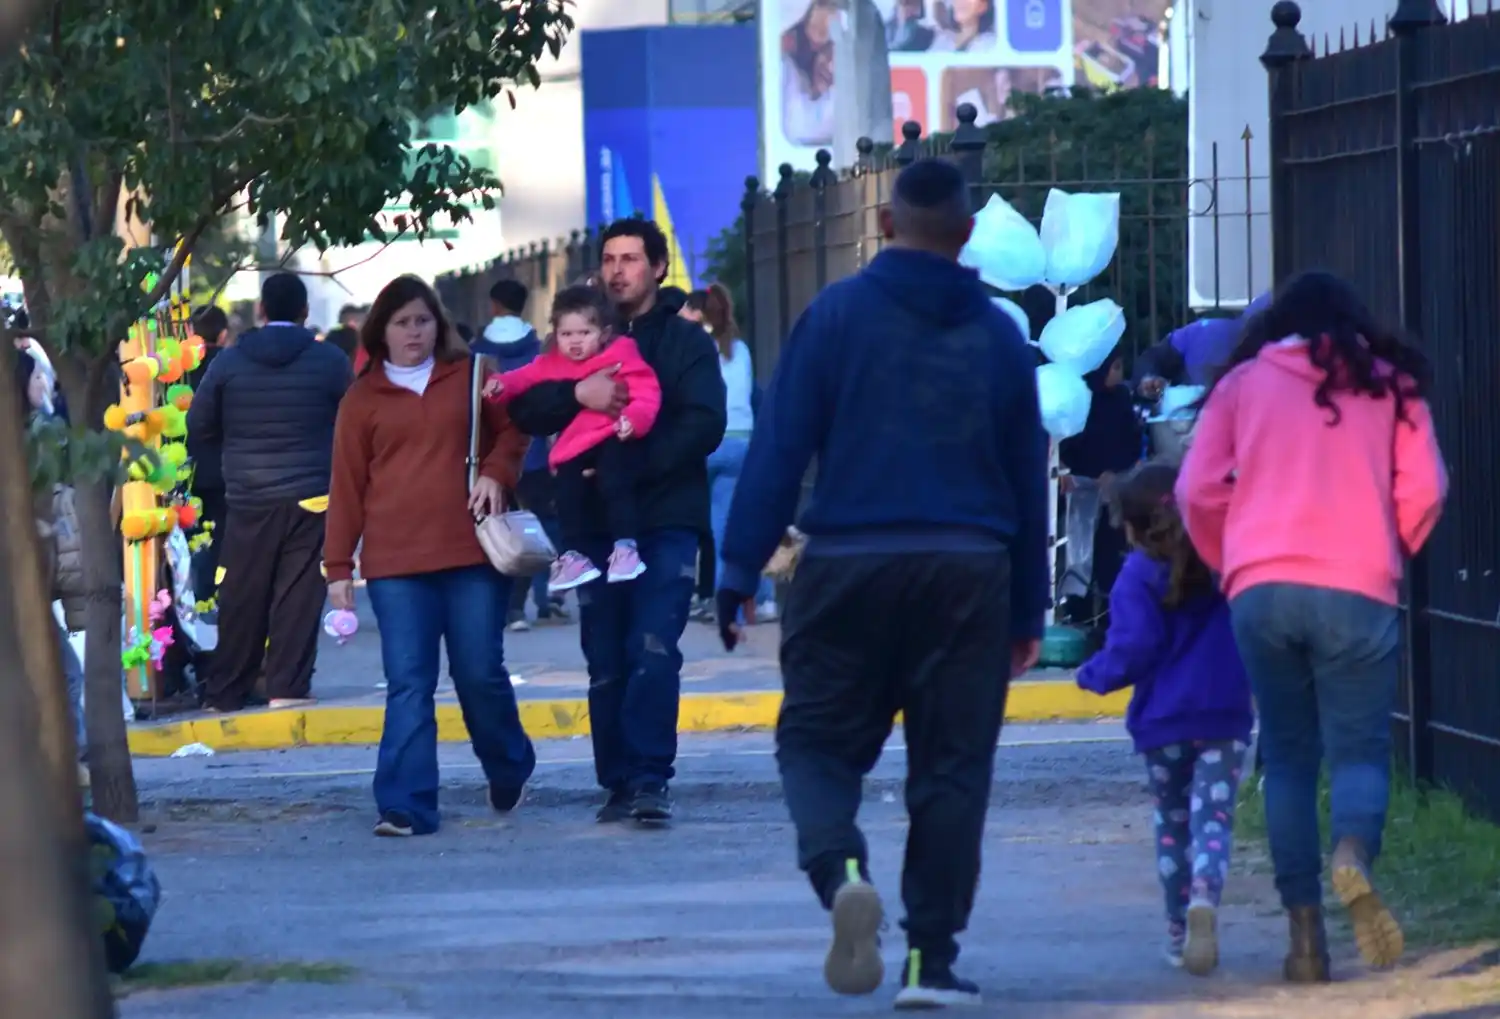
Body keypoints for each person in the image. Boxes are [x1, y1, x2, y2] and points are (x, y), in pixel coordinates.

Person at [715, 159, 1048, 1006]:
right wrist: (1027, 608)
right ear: (967, 234)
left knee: (817, 741)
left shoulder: (835, 317)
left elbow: (781, 447)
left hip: (849, 563)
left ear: (887, 225)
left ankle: (841, 868)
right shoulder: (1000, 335)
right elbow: (1023, 475)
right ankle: (928, 962)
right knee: (952, 767)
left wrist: (737, 566)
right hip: (969, 569)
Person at [1176, 270, 1448, 982]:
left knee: (1288, 758)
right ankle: (1352, 853)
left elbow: (1196, 488)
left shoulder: (1241, 386)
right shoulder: (1392, 384)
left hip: (1261, 586)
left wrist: (1228, 559)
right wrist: (1389, 548)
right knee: (1358, 752)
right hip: (1357, 582)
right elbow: (1426, 488)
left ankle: (1304, 939)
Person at [505, 218, 727, 825]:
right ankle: (618, 782)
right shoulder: (578, 336)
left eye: (631, 259)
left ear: (658, 267)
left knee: (653, 647)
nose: (619, 270)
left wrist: (627, 471)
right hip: (590, 531)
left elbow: (704, 421)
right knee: (605, 658)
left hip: (665, 520)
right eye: (610, 258)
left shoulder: (684, 342)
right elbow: (526, 405)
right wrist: (577, 397)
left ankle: (651, 777)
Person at [324, 274, 535, 837]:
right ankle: (405, 804)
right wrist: (338, 569)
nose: (414, 332)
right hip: (395, 565)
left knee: (479, 674)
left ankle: (510, 764)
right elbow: (345, 486)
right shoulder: (361, 398)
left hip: (471, 553)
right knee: (409, 683)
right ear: (381, 332)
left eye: (422, 320)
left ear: (437, 325)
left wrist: (494, 473)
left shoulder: (472, 376)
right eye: (401, 323)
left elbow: (514, 432)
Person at [1075, 462, 1253, 976]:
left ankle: (1179, 931)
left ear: (1130, 527)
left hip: (1163, 723)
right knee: (1213, 820)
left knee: (1172, 824)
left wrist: (1093, 674)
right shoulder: (1223, 562)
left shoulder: (1136, 575)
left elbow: (1134, 648)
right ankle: (1204, 897)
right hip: (1224, 714)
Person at [187, 273, 351, 712]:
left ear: (261, 311)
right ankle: (287, 687)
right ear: (304, 313)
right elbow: (354, 424)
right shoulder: (330, 361)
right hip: (312, 493)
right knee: (297, 596)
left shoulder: (229, 362)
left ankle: (226, 691)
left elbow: (198, 424)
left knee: (243, 593)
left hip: (247, 496)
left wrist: (236, 446)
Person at [484, 285, 662, 592]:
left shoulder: (621, 355)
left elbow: (647, 391)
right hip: (576, 444)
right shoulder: (554, 361)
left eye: (584, 332)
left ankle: (625, 548)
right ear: (555, 334)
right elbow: (526, 376)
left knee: (614, 483)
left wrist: (634, 420)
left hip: (612, 434)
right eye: (567, 335)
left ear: (604, 333)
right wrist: (501, 385)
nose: (575, 342)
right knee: (566, 495)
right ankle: (574, 555)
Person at [469, 280, 564, 628]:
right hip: (535, 449)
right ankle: (541, 597)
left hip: (489, 457)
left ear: (494, 304)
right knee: (534, 526)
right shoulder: (537, 349)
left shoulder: (477, 352)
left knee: (497, 526)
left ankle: (503, 606)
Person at [690, 284, 778, 624]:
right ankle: (759, 598)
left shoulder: (698, 350)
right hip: (742, 442)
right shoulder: (740, 351)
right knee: (742, 521)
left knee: (715, 529)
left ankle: (720, 600)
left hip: (707, 441)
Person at [17, 350, 87, 761]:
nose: (45, 384)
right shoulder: (36, 439)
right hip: (24, 585)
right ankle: (65, 766)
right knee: (66, 676)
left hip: (30, 584)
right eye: (37, 378)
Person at [1060, 346, 1142, 619]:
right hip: (1080, 489)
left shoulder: (1120, 399)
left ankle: (1108, 617)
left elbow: (1129, 441)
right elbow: (1069, 443)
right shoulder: (1079, 398)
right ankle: (1077, 613)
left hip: (1111, 490)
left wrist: (1115, 471)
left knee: (1111, 555)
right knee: (1079, 554)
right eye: (1115, 367)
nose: (1119, 375)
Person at [186, 306, 231, 607]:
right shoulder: (231, 367)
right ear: (224, 335)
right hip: (225, 468)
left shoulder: (178, 369)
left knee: (192, 536)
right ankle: (216, 594)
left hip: (185, 467)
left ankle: (195, 594)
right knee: (222, 535)